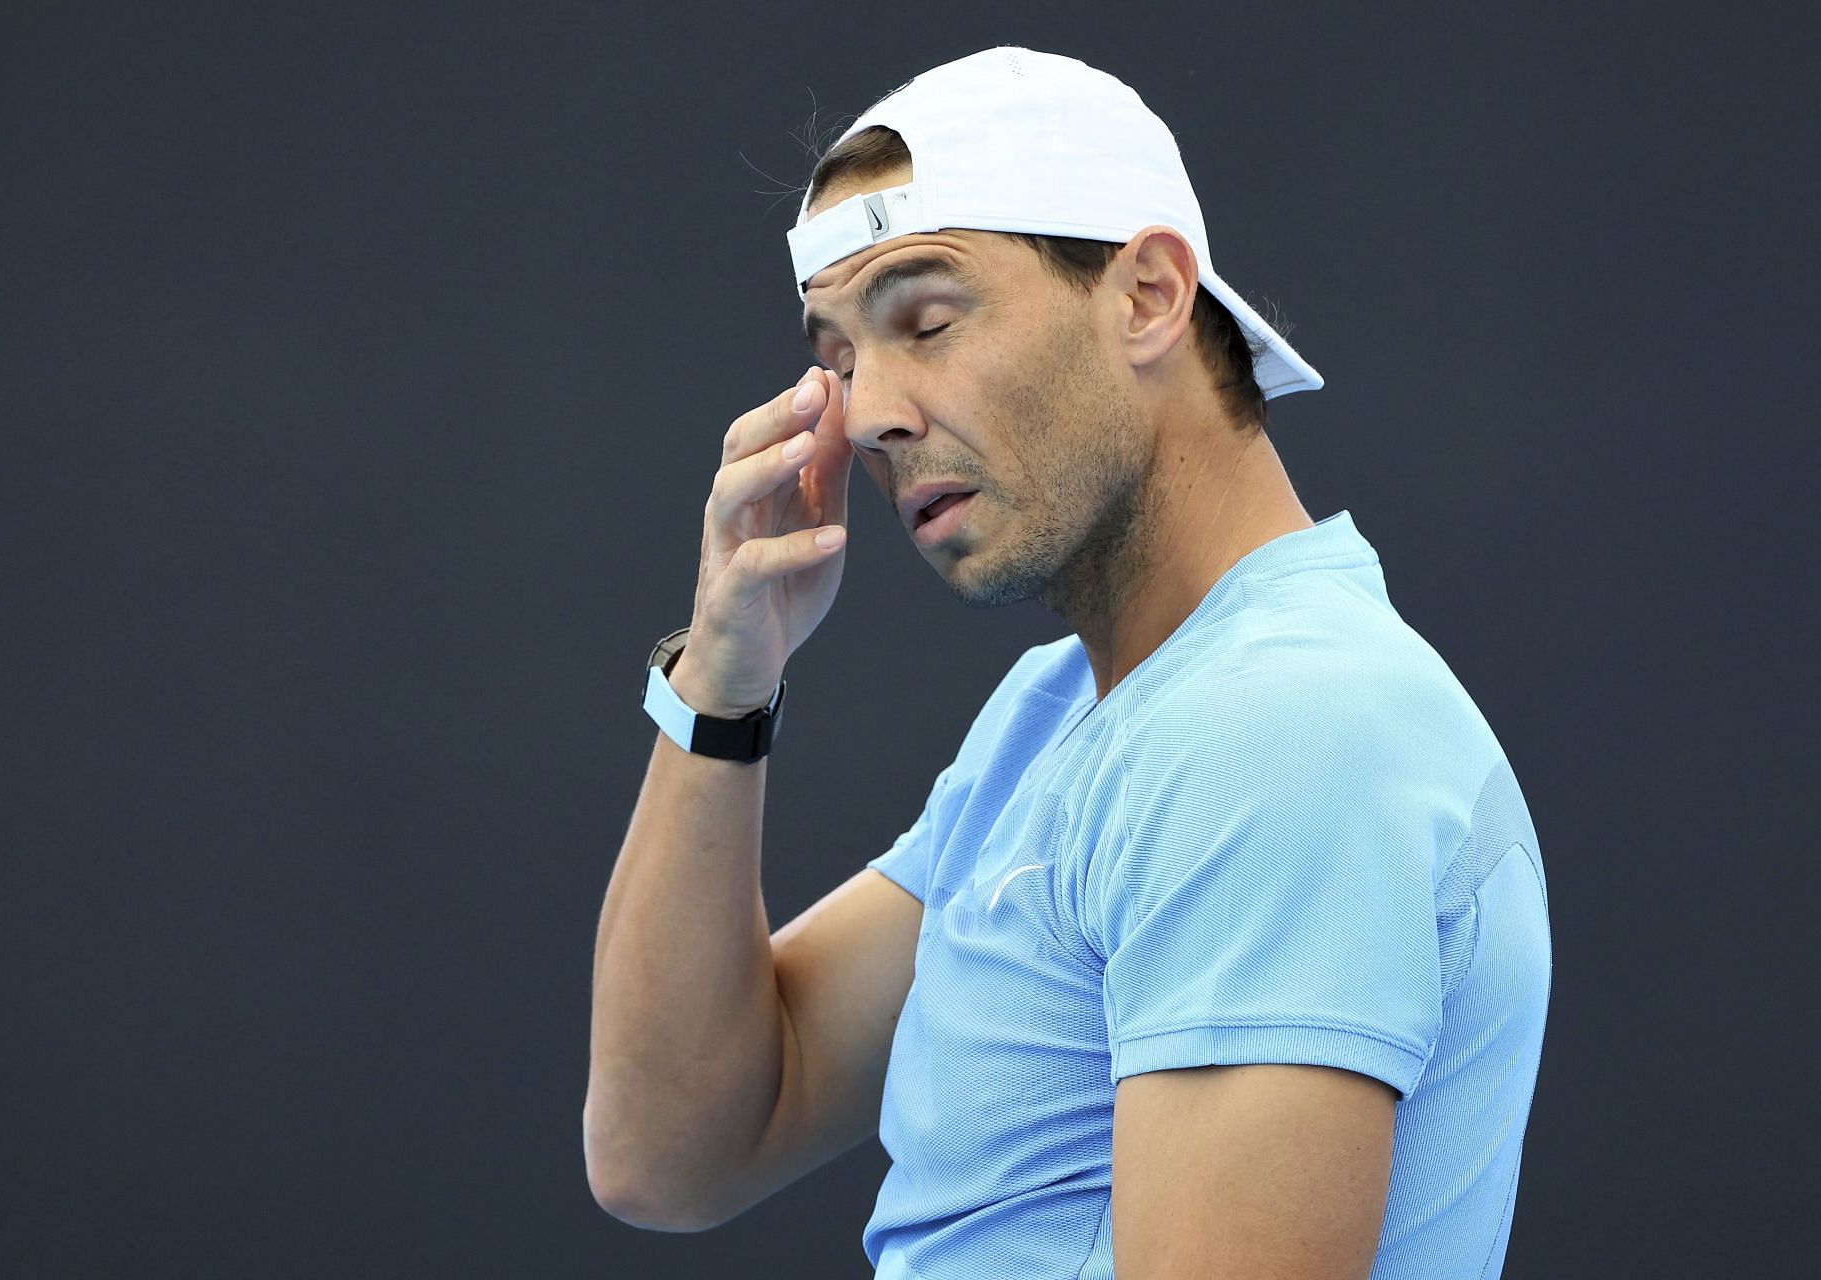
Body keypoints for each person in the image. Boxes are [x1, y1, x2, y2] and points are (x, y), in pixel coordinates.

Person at [585, 47, 1551, 1280]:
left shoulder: (1280, 727)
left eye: (926, 321)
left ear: (1148, 293)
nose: (868, 410)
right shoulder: (1062, 714)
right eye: (837, 360)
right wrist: (724, 682)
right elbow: (670, 1148)